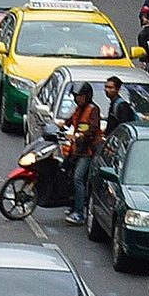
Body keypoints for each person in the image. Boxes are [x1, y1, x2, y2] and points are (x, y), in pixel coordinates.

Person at [63, 83, 102, 226]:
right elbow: (69, 122)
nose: (78, 99)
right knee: (68, 175)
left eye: (81, 96)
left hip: (87, 152)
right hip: (76, 150)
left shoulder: (93, 110)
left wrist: (80, 136)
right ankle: (72, 205)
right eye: (76, 96)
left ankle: (79, 212)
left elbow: (92, 130)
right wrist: (60, 125)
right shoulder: (78, 110)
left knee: (78, 178)